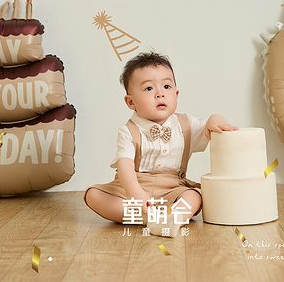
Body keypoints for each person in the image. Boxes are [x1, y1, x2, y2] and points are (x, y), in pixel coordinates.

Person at [84, 51, 236, 237]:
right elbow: (124, 166)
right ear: (130, 102)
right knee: (93, 195)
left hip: (172, 188)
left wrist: (214, 119)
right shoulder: (128, 131)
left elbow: (207, 126)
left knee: (194, 196)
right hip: (133, 186)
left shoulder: (186, 125)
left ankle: (173, 217)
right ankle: (150, 217)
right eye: (149, 88)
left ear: (176, 94)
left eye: (166, 86)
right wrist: (136, 193)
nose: (160, 94)